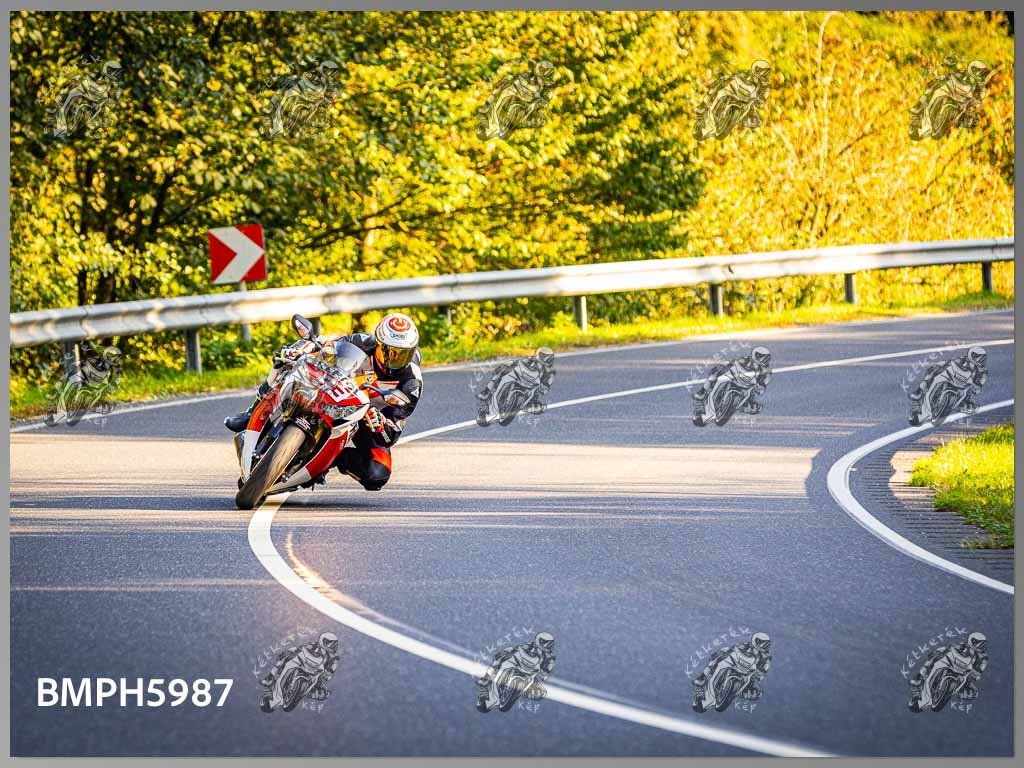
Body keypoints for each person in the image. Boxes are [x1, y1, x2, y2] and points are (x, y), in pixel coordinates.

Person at [225, 312, 422, 491]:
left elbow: (392, 435)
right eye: (390, 351)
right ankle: (252, 412)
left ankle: (329, 461)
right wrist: (298, 351)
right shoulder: (361, 341)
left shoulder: (411, 383)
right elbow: (324, 345)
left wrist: (380, 423)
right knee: (283, 360)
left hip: (367, 419)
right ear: (378, 343)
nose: (395, 359)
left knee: (378, 474)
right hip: (332, 390)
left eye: (403, 354)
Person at [692, 346, 771, 424]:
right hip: (735, 377)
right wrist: (723, 366)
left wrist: (762, 385)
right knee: (714, 374)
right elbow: (732, 362)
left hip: (748, 385)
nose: (764, 360)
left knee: (755, 402)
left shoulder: (766, 370)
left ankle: (743, 406)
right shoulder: (745, 359)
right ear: (756, 355)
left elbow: (766, 379)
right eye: (763, 357)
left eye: (766, 358)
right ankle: (703, 391)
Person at [909, 346, 987, 425]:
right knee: (933, 371)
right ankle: (919, 391)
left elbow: (981, 382)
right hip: (951, 378)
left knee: (974, 406)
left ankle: (957, 407)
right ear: (972, 355)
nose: (980, 360)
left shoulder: (982, 371)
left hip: (964, 386)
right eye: (979, 357)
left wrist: (977, 386)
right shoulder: (962, 359)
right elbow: (949, 362)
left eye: (983, 358)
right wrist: (942, 366)